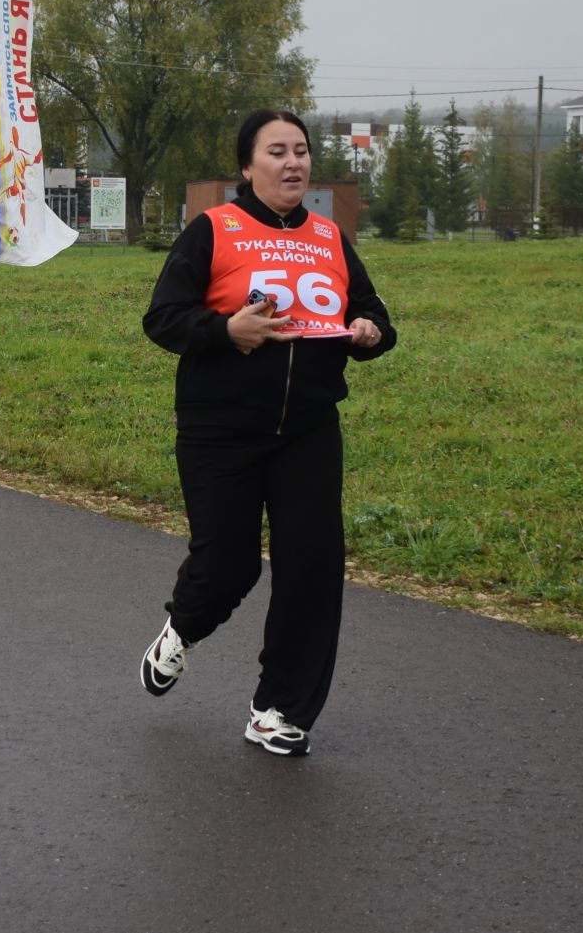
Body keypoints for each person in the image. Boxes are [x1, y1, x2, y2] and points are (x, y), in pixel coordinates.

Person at [138, 109, 396, 757]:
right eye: (276, 151)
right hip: (219, 427)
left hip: (307, 428)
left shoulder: (330, 238)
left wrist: (369, 333)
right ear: (246, 166)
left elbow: (370, 311)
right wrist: (227, 331)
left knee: (312, 564)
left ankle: (277, 708)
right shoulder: (212, 230)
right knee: (228, 565)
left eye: (301, 151)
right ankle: (182, 628)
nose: (293, 163)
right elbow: (164, 317)